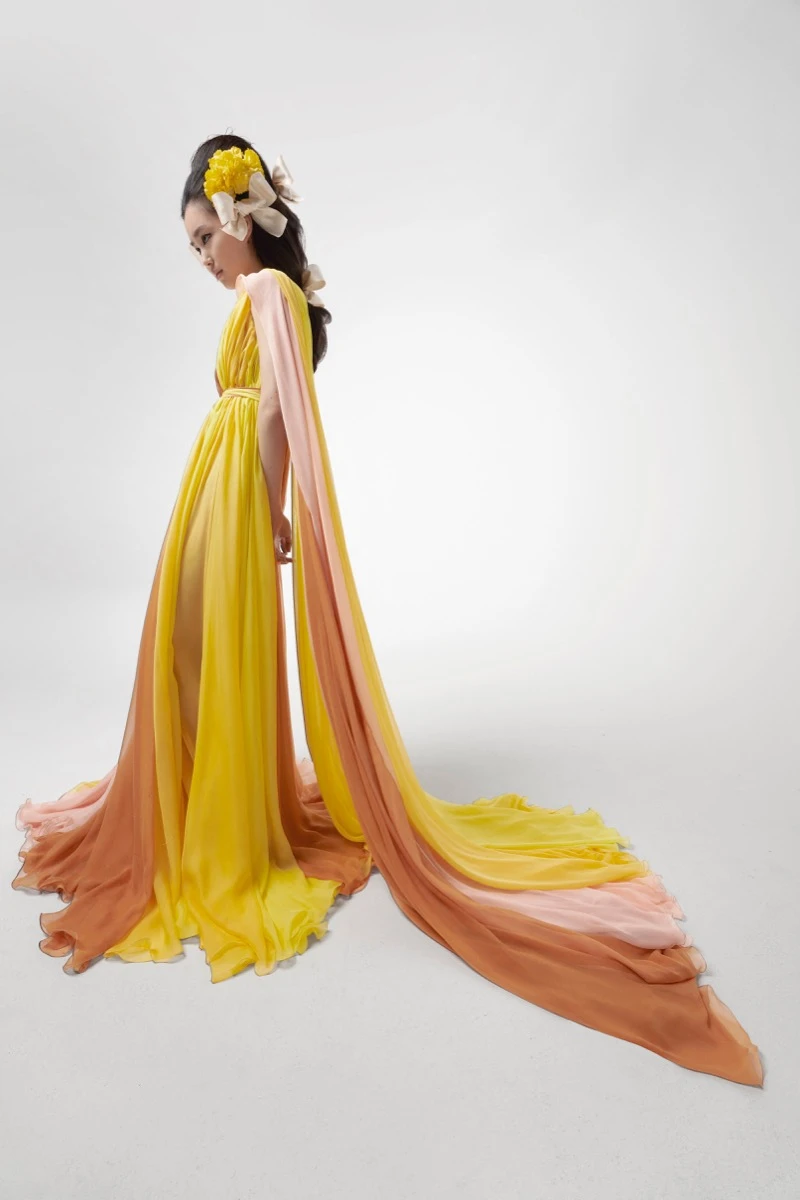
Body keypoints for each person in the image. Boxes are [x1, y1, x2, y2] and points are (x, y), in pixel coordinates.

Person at [11, 134, 764, 1088]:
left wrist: (270, 509)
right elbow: (262, 403)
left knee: (199, 650)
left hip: (234, 486)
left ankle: (215, 828)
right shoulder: (263, 295)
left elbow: (276, 409)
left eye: (206, 236)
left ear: (243, 220)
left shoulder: (269, 291)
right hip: (219, 479)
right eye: (191, 244)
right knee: (192, 646)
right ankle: (202, 810)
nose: (200, 256)